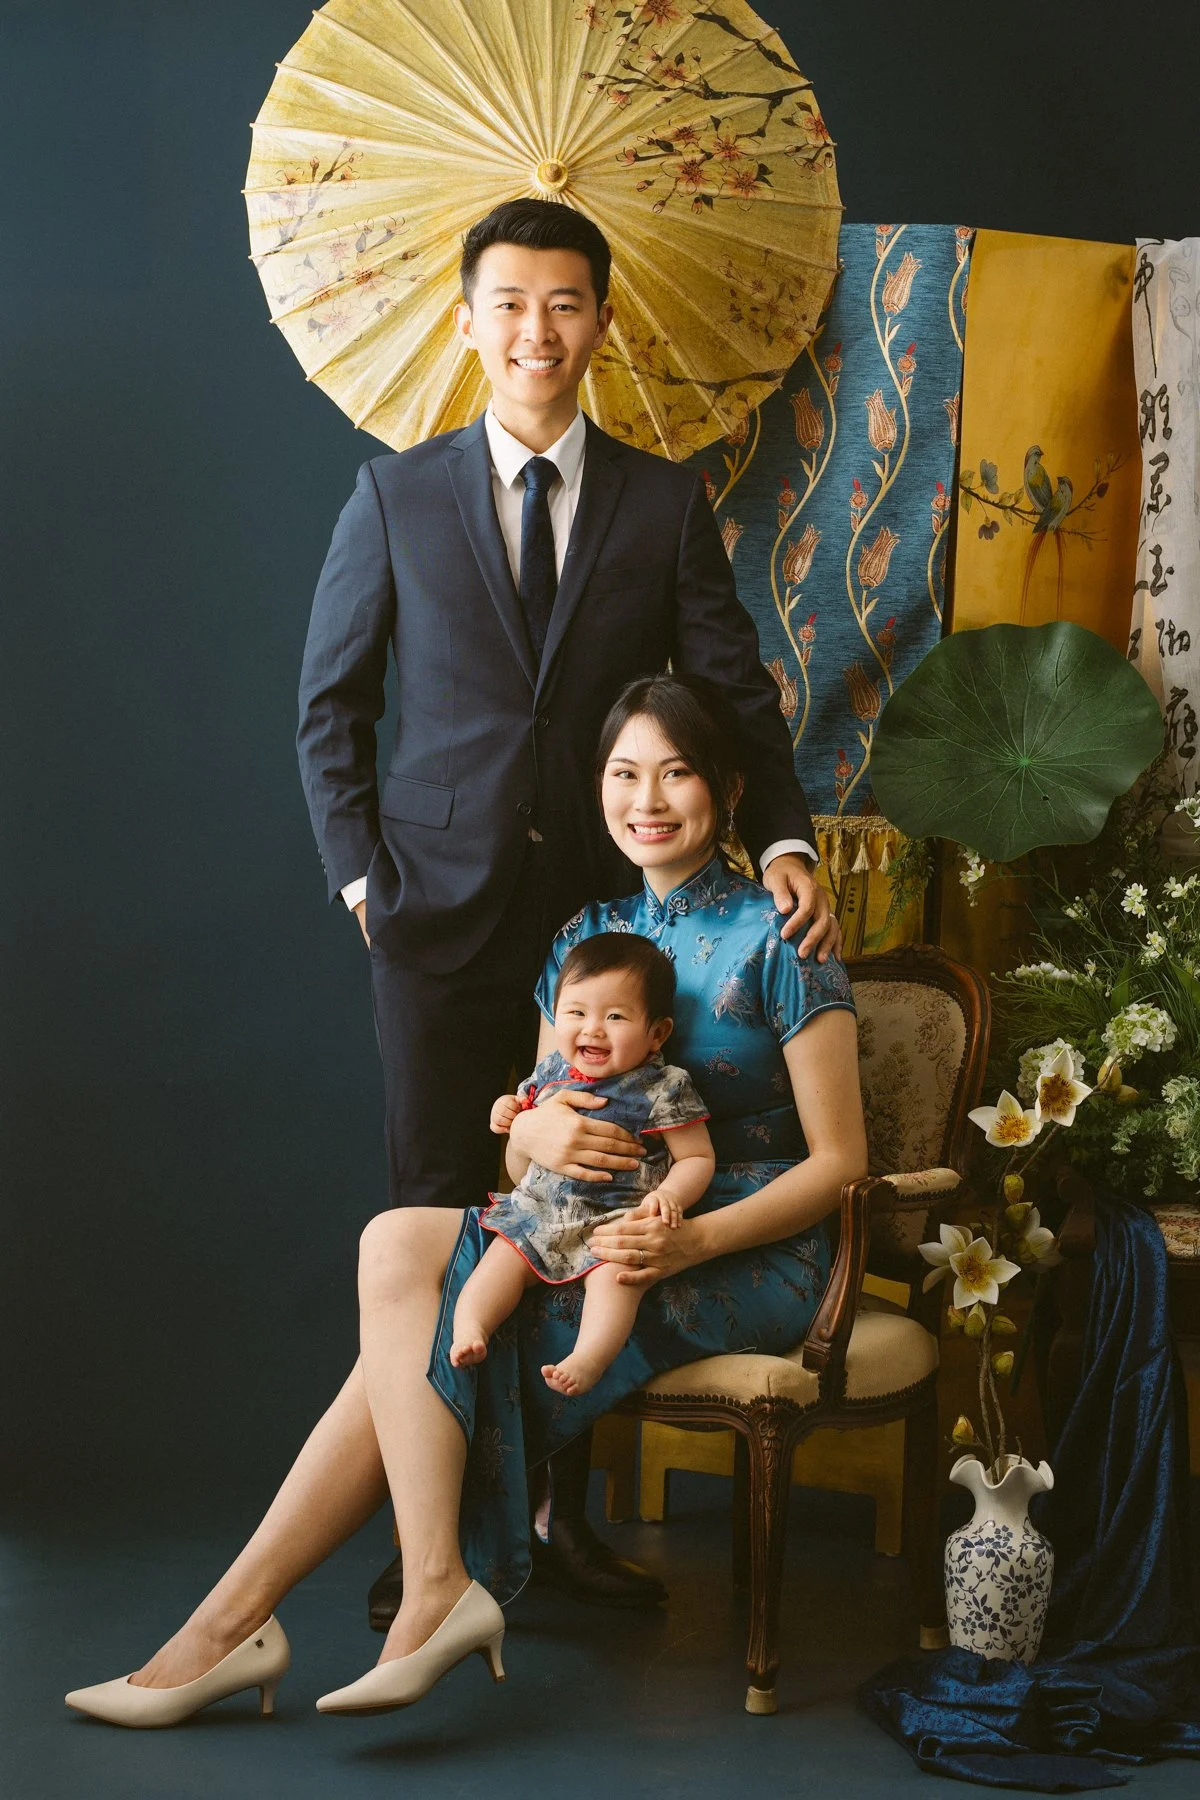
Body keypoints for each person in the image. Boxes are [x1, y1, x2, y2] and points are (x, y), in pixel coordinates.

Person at [64, 675, 867, 1728]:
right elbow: (539, 1129)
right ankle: (415, 1587)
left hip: (741, 1240)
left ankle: (236, 1625)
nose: (649, 798)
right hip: (582, 1220)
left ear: (724, 787)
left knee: (444, 1331)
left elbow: (842, 1163)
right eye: (624, 773)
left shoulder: (783, 932)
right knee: (396, 1244)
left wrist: (690, 1236)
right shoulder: (587, 930)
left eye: (676, 772)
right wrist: (526, 1127)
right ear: (598, 790)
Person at [294, 195, 842, 1617]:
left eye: (565, 304)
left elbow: (726, 688)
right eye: (510, 303)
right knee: (437, 1216)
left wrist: (781, 837)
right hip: (434, 927)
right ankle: (429, 1544)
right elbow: (330, 708)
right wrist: (367, 881)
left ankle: (556, 1525)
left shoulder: (662, 502)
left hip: (601, 944)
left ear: (601, 323)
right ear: (469, 320)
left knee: (588, 1209)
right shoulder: (393, 497)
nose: (537, 331)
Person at [451, 932, 716, 1396]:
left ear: (657, 1033)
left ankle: (589, 1357)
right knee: (499, 1263)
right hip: (539, 1210)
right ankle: (470, 1327)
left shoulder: (663, 1086)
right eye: (575, 1013)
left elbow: (696, 1156)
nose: (592, 1029)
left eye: (615, 1016)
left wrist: (669, 1195)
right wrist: (508, 1112)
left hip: (614, 1220)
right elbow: (522, 1110)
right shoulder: (552, 1070)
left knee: (617, 1279)